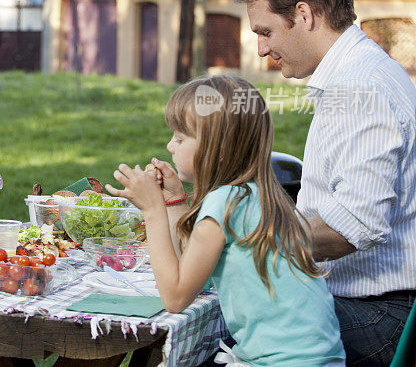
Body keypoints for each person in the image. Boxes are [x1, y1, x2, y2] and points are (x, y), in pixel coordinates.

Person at [234, 0, 416, 366]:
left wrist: (242, 242)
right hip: (373, 306)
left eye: (265, 32)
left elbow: (353, 226)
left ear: (304, 14)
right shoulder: (358, 76)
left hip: (380, 317)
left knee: (218, 326)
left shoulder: (359, 87)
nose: (261, 49)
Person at [106, 76, 345, 366]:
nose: (170, 145)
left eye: (180, 138)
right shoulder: (259, 196)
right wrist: (173, 202)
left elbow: (176, 297)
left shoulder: (226, 203)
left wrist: (152, 211)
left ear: (218, 149)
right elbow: (195, 270)